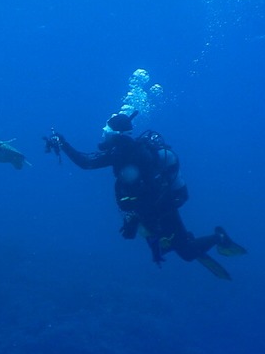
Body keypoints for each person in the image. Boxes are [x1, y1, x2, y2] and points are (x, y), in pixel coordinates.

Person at [45, 108, 247, 277]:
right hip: (156, 206)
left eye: (105, 129)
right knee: (158, 238)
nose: (102, 132)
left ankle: (218, 237)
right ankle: (180, 238)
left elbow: (86, 162)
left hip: (160, 207)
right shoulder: (127, 149)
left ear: (115, 133)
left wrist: (62, 143)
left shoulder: (125, 151)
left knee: (185, 253)